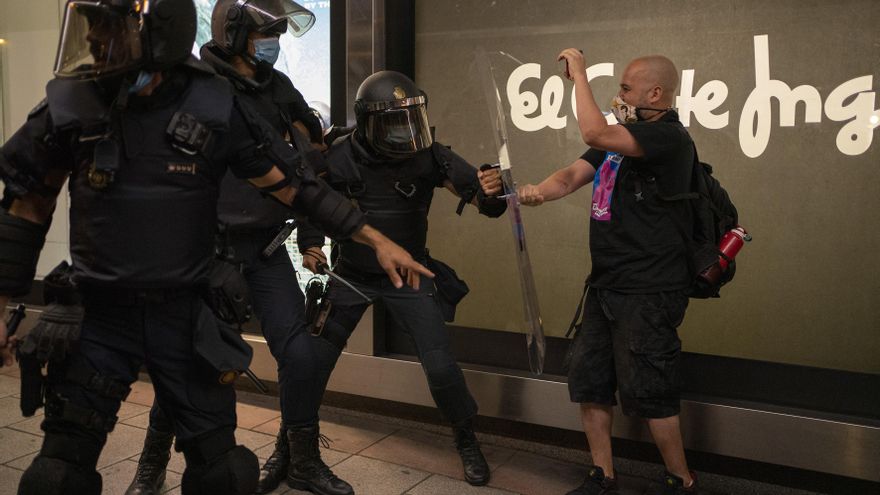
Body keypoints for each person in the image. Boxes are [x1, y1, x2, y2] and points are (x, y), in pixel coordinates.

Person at [0, 2, 430, 494]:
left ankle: (299, 460)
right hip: (100, 311)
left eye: (107, 29)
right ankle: (149, 467)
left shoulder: (214, 103)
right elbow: (24, 208)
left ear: (159, 33)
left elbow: (295, 186)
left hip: (186, 307)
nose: (95, 41)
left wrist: (374, 239)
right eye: (91, 27)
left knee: (223, 474)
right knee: (56, 477)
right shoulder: (74, 102)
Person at [124, 1, 342, 494]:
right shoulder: (200, 86)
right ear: (235, 33)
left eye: (278, 34)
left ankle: (301, 460)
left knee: (301, 356)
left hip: (266, 250)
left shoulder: (278, 87)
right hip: (210, 253)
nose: (274, 44)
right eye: (266, 34)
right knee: (193, 360)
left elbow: (310, 155)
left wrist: (314, 223)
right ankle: (151, 463)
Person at [252, 69, 507, 491]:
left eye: (409, 119)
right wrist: (312, 245)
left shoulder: (429, 155)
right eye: (392, 123)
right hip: (351, 276)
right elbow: (311, 200)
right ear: (369, 123)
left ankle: (466, 439)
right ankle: (290, 448)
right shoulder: (337, 156)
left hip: (408, 275)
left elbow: (482, 199)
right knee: (308, 364)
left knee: (441, 367)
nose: (403, 131)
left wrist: (491, 189)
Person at [518, 49, 698, 495]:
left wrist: (579, 75)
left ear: (655, 94)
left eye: (625, 88)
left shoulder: (668, 139)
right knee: (591, 380)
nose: (620, 95)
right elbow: (569, 176)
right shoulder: (619, 144)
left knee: (651, 389)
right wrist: (536, 193)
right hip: (605, 284)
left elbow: (594, 132)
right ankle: (603, 475)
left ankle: (681, 479)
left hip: (649, 289)